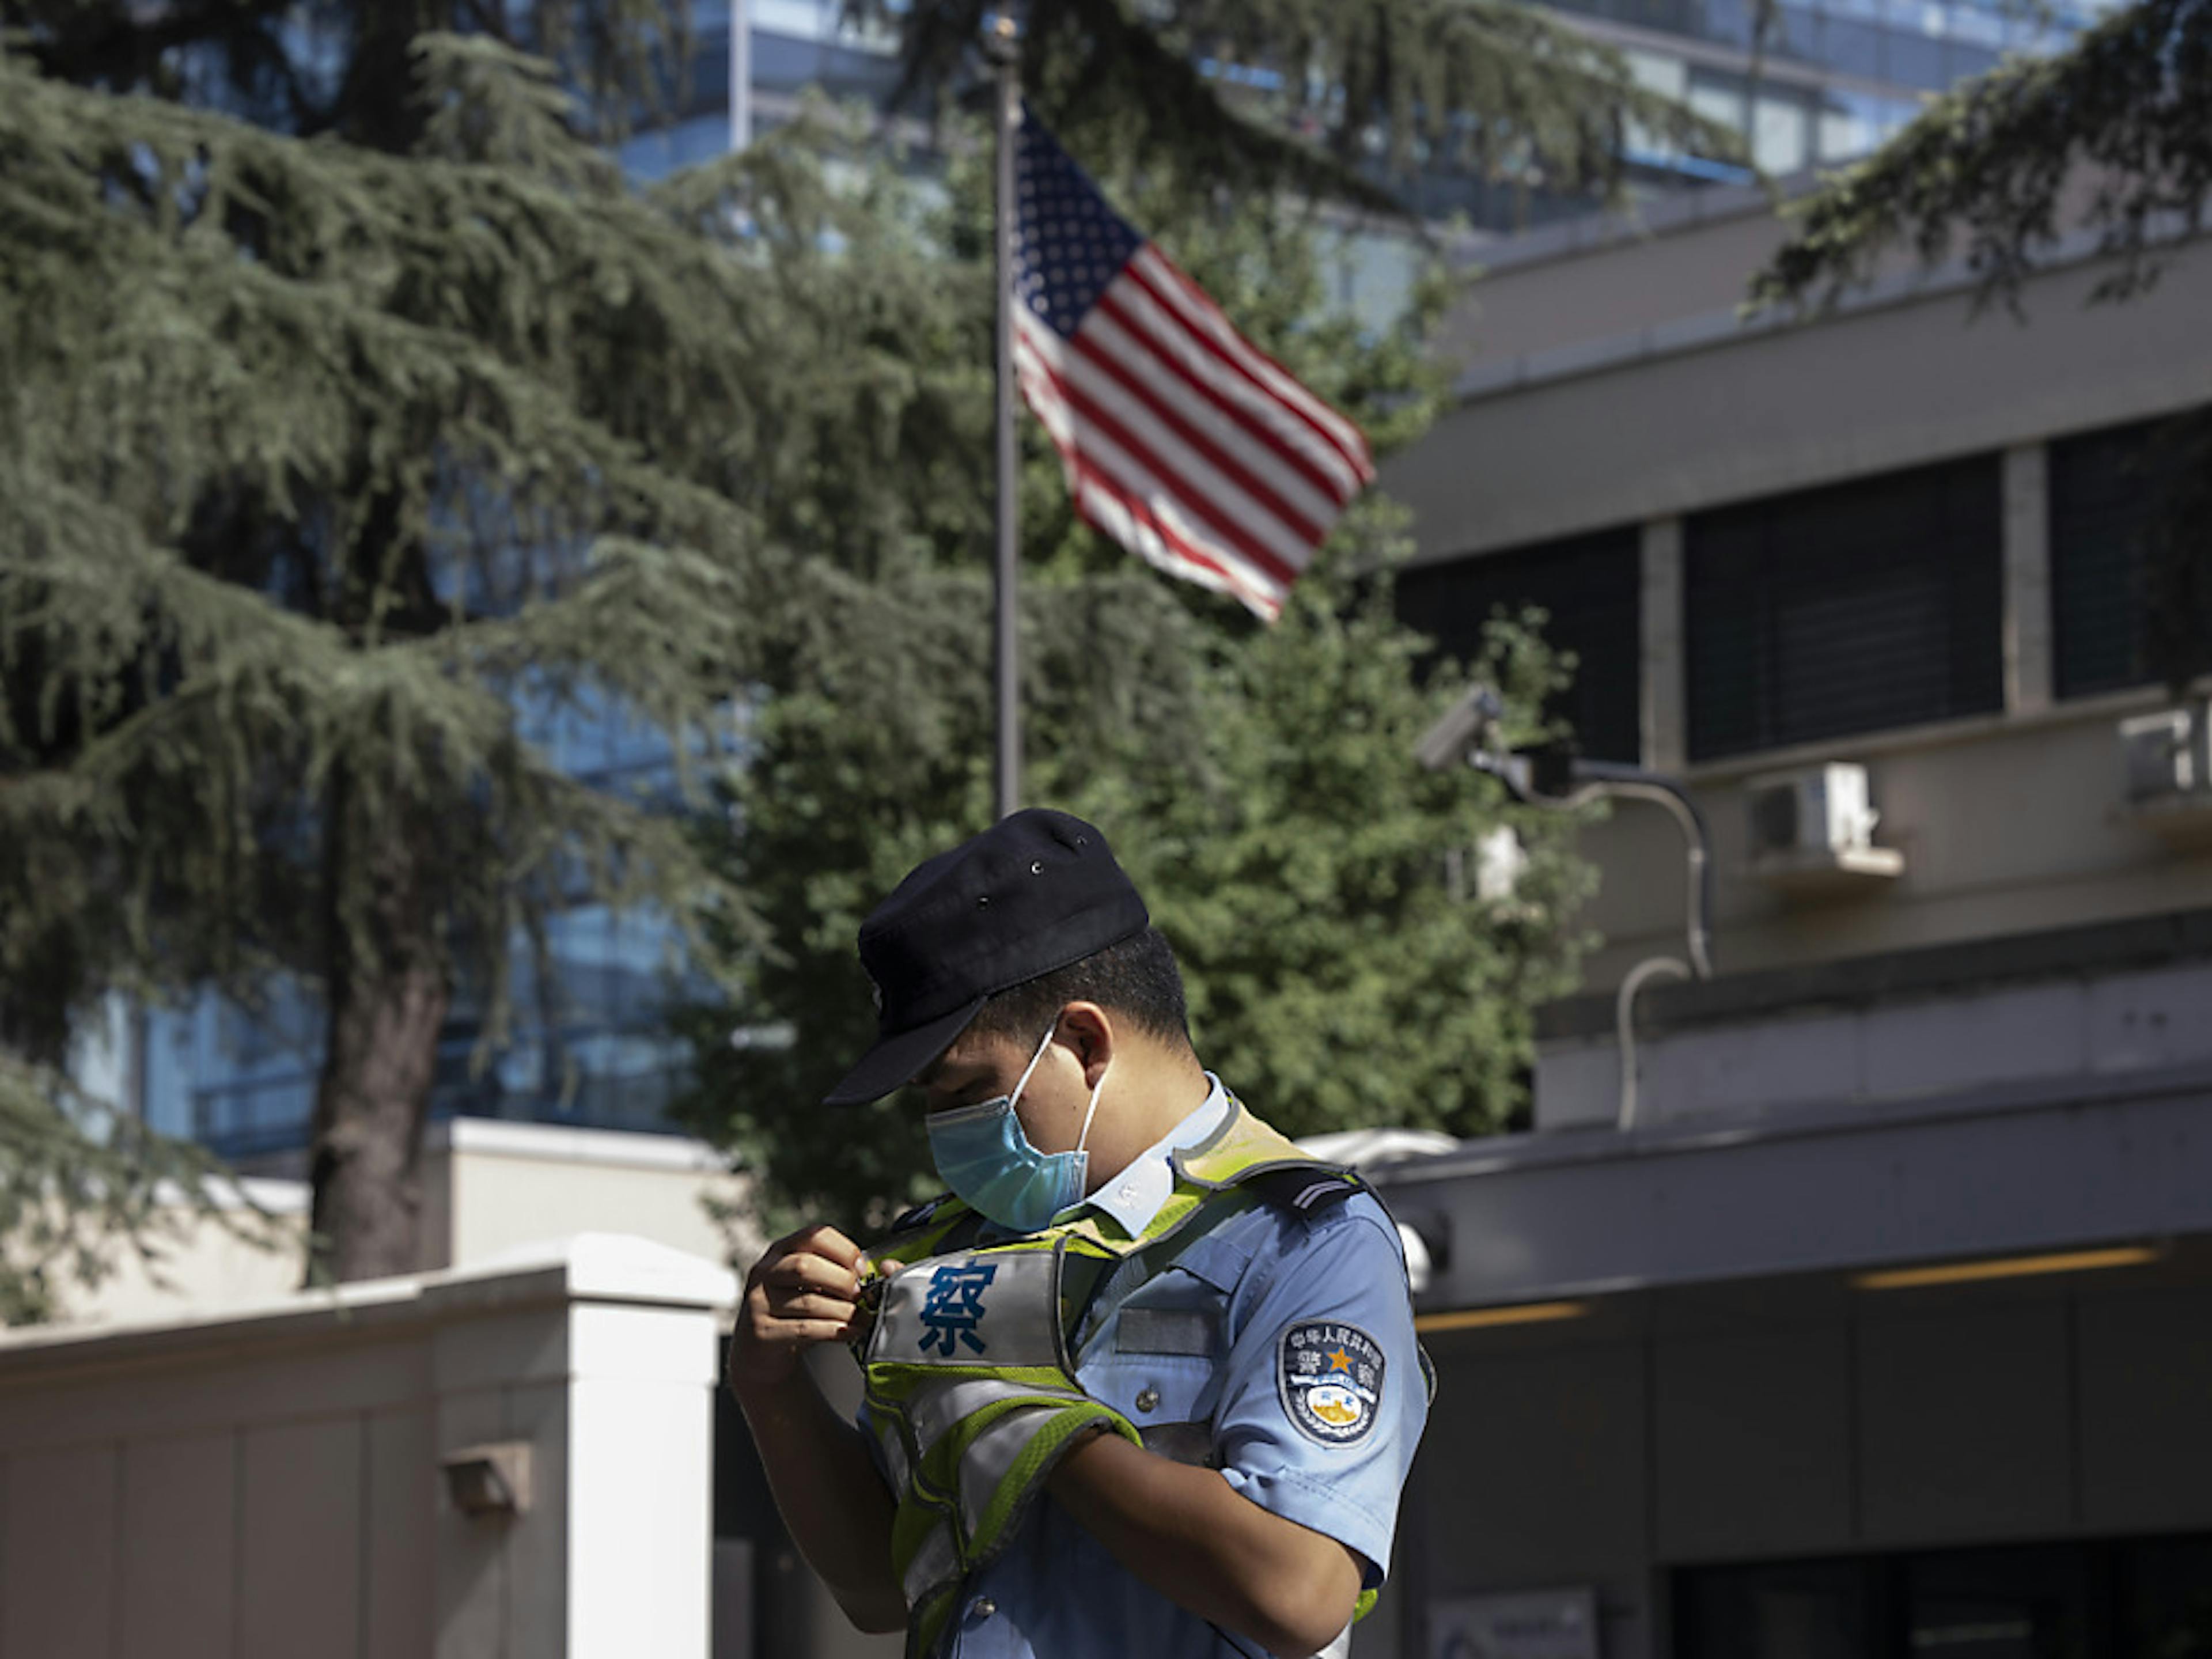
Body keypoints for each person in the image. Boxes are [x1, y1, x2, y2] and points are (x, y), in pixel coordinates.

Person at [727, 808, 1430, 1659]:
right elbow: (883, 1589)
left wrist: (1023, 1422)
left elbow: (1298, 1590)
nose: (943, 1128)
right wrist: (772, 1390)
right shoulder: (955, 1253)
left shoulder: (1300, 1240)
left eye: (962, 1089)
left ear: (1083, 1040)